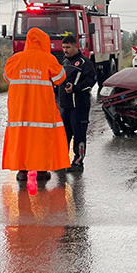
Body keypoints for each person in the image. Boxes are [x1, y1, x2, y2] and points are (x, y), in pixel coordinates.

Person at [2, 28, 71, 181]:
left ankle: (22, 171)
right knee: (41, 138)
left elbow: (6, 76)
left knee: (21, 137)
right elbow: (60, 77)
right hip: (42, 107)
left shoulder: (16, 59)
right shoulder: (48, 58)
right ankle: (41, 171)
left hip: (19, 108)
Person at [57, 34, 97, 172]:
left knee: (79, 134)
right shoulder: (64, 62)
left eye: (68, 47)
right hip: (65, 106)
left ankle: (78, 162)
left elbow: (91, 81)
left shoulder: (85, 63)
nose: (65, 50)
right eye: (63, 47)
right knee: (64, 135)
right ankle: (62, 161)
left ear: (76, 46)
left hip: (79, 105)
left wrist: (75, 88)